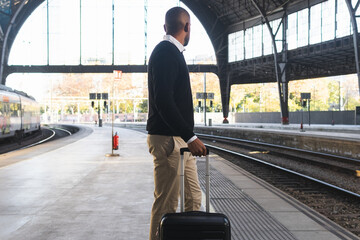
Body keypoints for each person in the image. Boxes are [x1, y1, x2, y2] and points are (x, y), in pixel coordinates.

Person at [146, 6, 207, 240]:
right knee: (166, 204)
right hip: (169, 139)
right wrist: (189, 136)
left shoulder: (172, 53)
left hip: (178, 139)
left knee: (193, 198)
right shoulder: (166, 53)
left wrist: (187, 136)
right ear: (187, 27)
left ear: (165, 27)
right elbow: (163, 100)